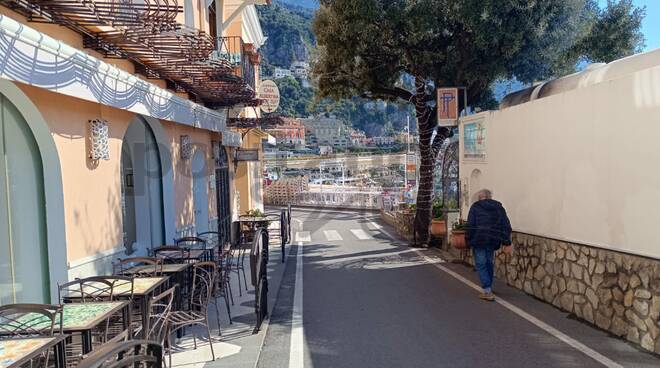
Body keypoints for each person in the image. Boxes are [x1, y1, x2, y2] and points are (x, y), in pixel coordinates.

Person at [466, 189, 512, 301]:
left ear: (479, 197)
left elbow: (471, 225)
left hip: (479, 239)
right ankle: (489, 286)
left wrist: (468, 240)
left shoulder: (475, 207)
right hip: (493, 239)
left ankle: (487, 291)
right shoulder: (498, 207)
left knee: (481, 264)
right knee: (489, 262)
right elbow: (505, 225)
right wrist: (507, 242)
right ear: (489, 197)